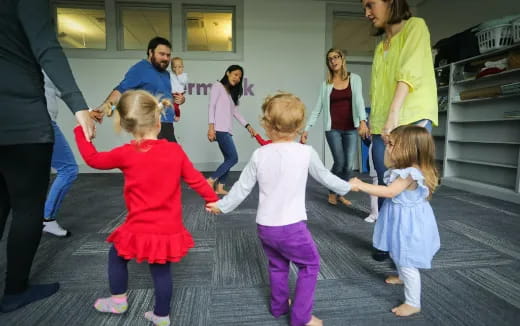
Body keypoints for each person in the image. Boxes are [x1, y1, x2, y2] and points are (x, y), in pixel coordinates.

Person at [74, 90, 218, 326]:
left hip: (138, 225)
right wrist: (211, 199)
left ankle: (118, 300)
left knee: (116, 256)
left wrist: (81, 130)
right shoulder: (175, 150)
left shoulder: (125, 153)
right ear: (159, 121)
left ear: (126, 125)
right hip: (168, 226)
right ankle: (162, 316)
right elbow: (195, 179)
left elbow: (93, 159)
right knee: (161, 271)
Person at [207, 93, 351, 326]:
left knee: (277, 265)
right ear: (299, 126)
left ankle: (278, 307)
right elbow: (327, 179)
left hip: (265, 227)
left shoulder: (259, 154)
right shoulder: (306, 152)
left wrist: (221, 206)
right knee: (310, 265)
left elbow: (241, 189)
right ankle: (301, 318)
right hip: (292, 228)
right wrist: (348, 185)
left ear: (266, 126)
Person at [0, 0, 95, 313]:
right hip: (23, 120)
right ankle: (15, 290)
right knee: (28, 209)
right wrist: (79, 105)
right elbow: (47, 48)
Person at [361, 0, 438, 261]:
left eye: (370, 4)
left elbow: (408, 74)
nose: (367, 13)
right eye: (364, 7)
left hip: (410, 117)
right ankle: (386, 239)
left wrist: (393, 115)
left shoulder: (415, 27)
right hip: (384, 122)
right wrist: (374, 124)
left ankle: (412, 248)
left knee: (407, 187)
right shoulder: (381, 45)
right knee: (385, 182)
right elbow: (377, 89)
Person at [349, 125, 440, 317]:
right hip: (400, 219)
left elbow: (389, 192)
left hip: (408, 224)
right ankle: (401, 277)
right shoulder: (407, 168)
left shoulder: (409, 174)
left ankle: (413, 302)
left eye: (391, 144)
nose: (388, 148)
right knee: (397, 250)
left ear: (409, 149)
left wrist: (360, 184)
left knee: (406, 259)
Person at [301, 48, 369, 207]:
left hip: (352, 128)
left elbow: (359, 101)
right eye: (330, 59)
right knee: (339, 162)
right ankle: (332, 191)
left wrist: (363, 121)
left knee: (348, 165)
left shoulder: (355, 79)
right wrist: (307, 128)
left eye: (336, 57)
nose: (334, 61)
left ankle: (340, 192)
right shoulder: (326, 85)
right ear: (328, 64)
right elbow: (318, 108)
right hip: (333, 130)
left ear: (342, 59)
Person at [96, 37, 185, 142]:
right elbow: (121, 90)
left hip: (167, 125)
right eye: (161, 54)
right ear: (151, 52)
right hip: (150, 126)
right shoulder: (139, 69)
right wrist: (103, 108)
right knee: (172, 157)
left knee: (172, 157)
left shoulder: (166, 74)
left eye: (168, 55)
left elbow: (170, 96)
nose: (166, 58)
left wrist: (181, 100)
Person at [207, 65, 256, 195]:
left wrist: (248, 126)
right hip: (219, 129)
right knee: (233, 158)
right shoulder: (217, 86)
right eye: (235, 74)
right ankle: (211, 180)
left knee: (228, 158)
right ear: (227, 73)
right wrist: (211, 128)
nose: (237, 78)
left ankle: (220, 187)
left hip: (226, 130)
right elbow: (211, 107)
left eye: (240, 77)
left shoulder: (230, 94)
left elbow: (236, 113)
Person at [41, 71, 78, 237]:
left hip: (19, 123)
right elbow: (66, 90)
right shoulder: (45, 65)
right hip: (43, 122)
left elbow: (63, 90)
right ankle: (47, 219)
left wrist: (85, 111)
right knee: (68, 169)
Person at [170, 57, 188, 121]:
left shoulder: (184, 75)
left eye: (179, 67)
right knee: (170, 105)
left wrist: (178, 74)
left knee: (175, 106)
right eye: (175, 67)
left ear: (183, 67)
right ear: (172, 68)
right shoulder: (170, 74)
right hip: (171, 93)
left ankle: (177, 116)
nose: (177, 69)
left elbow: (183, 81)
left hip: (179, 93)